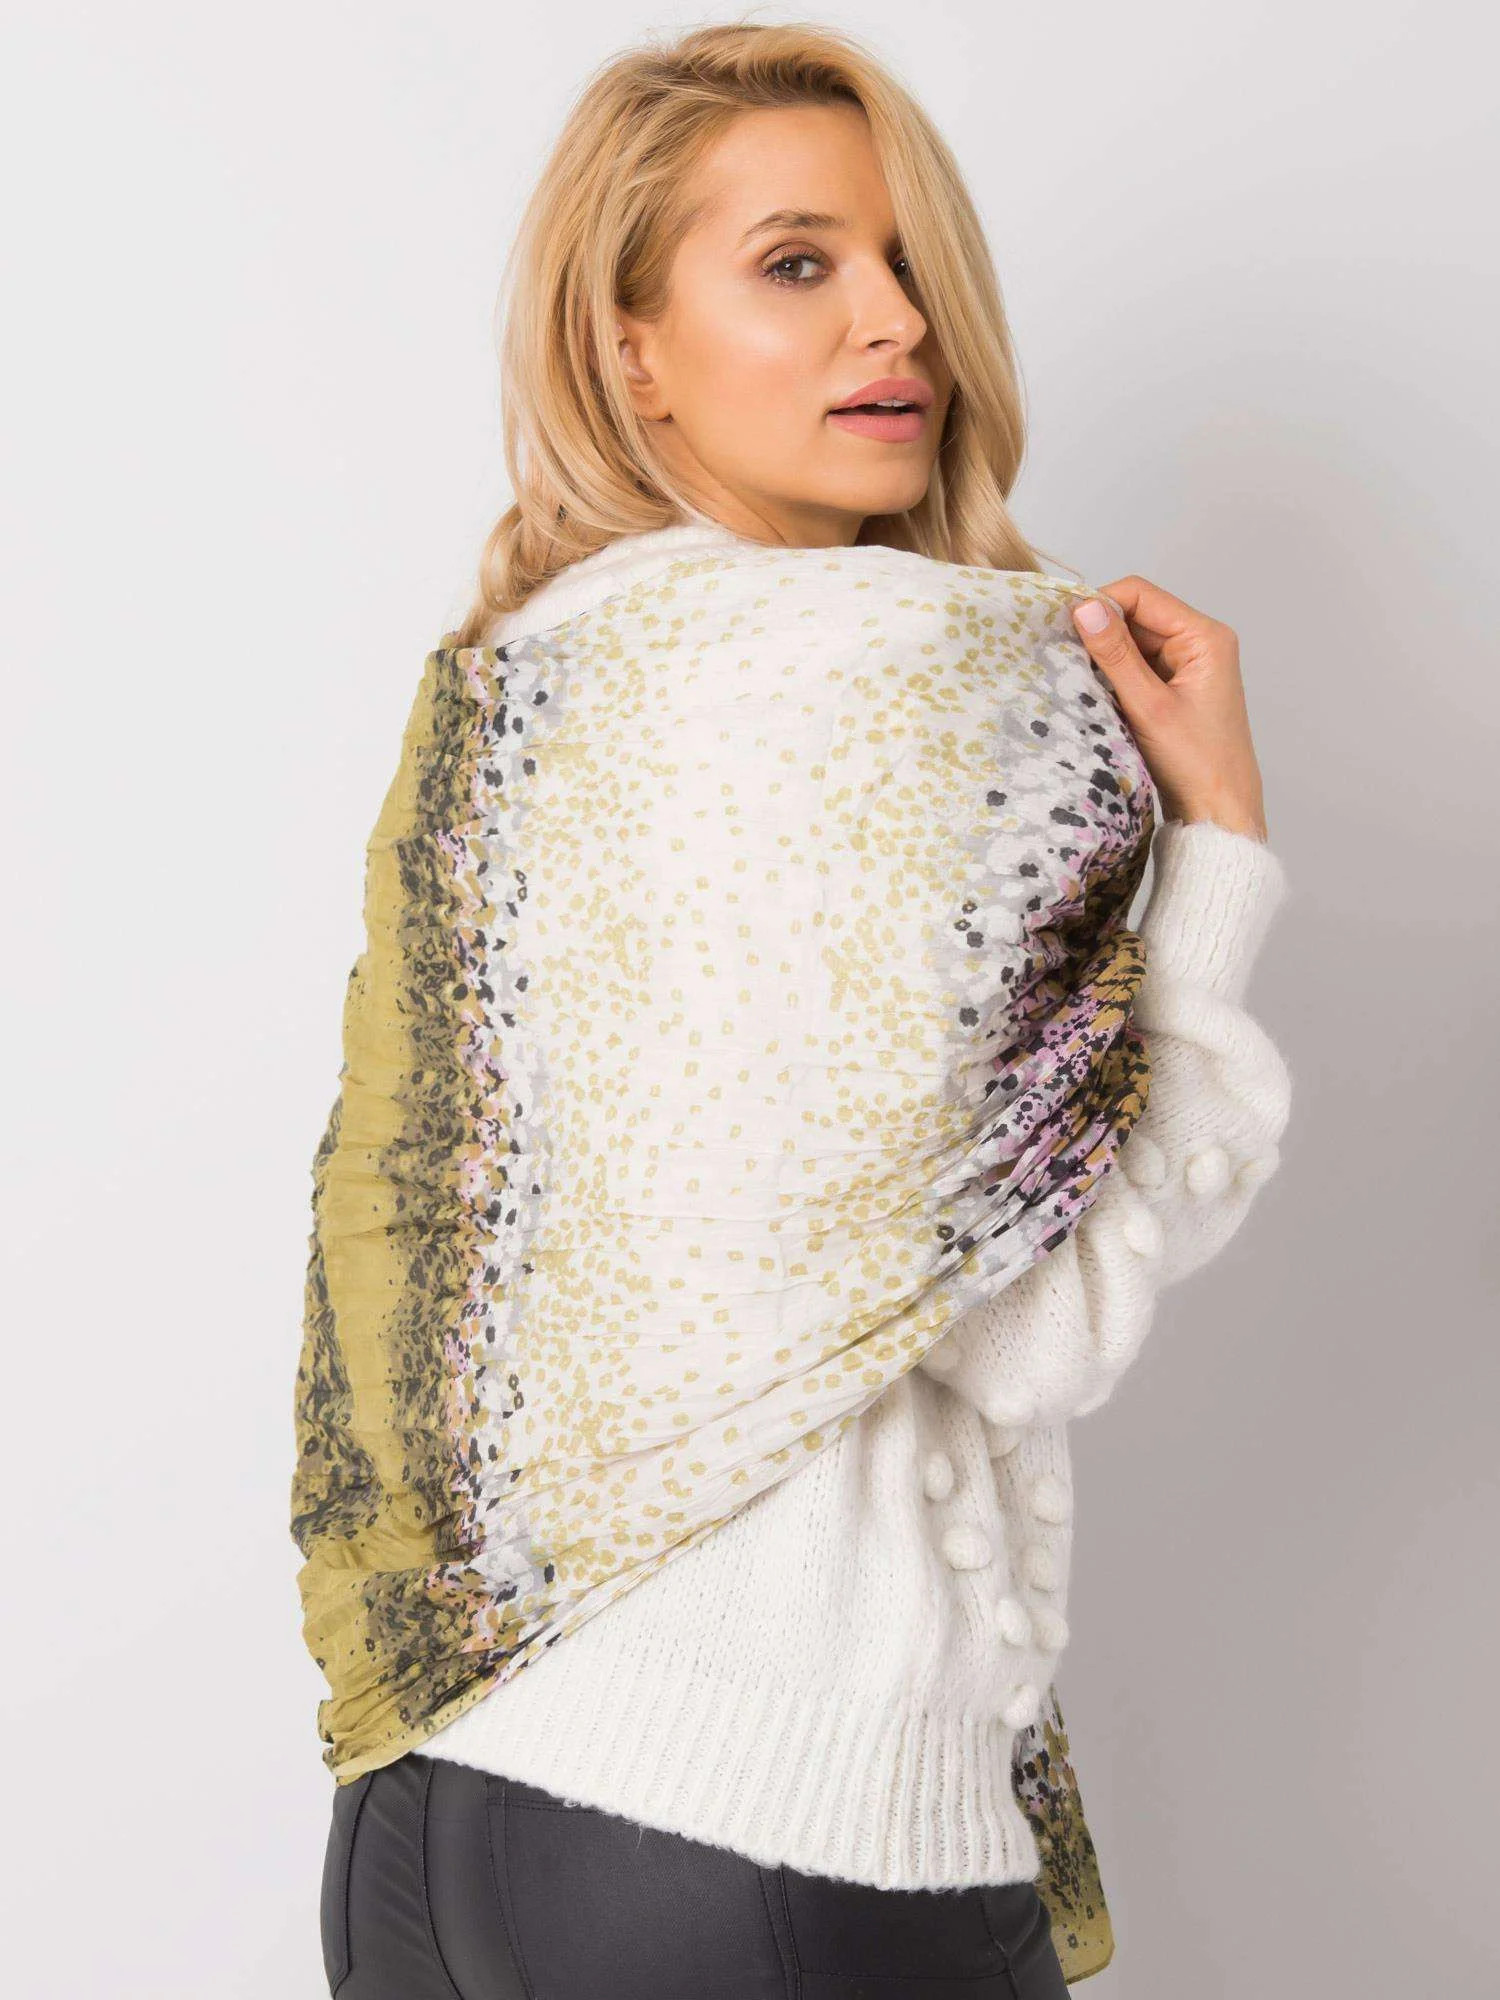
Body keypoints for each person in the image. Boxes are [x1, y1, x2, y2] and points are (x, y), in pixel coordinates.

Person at [295, 23, 1292, 1999]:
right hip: (769, 1826)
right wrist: (1221, 857)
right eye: (796, 262)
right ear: (630, 348)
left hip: (433, 1815)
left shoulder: (528, 688)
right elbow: (1034, 1329)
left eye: (910, 262)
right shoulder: (910, 696)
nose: (894, 321)